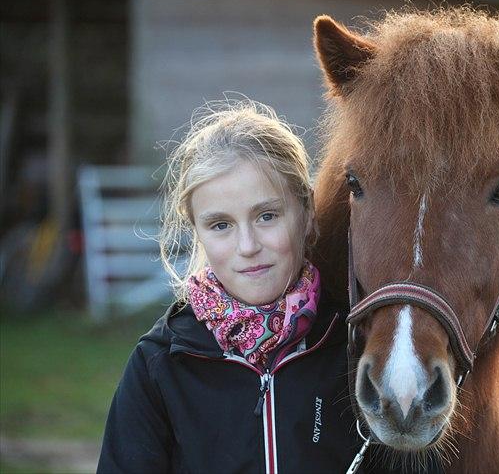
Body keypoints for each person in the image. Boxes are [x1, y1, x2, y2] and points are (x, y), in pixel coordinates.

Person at [97, 100, 366, 473]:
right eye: (221, 225)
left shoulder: (356, 346)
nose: (248, 246)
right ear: (198, 232)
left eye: (267, 216)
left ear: (306, 214)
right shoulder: (161, 363)